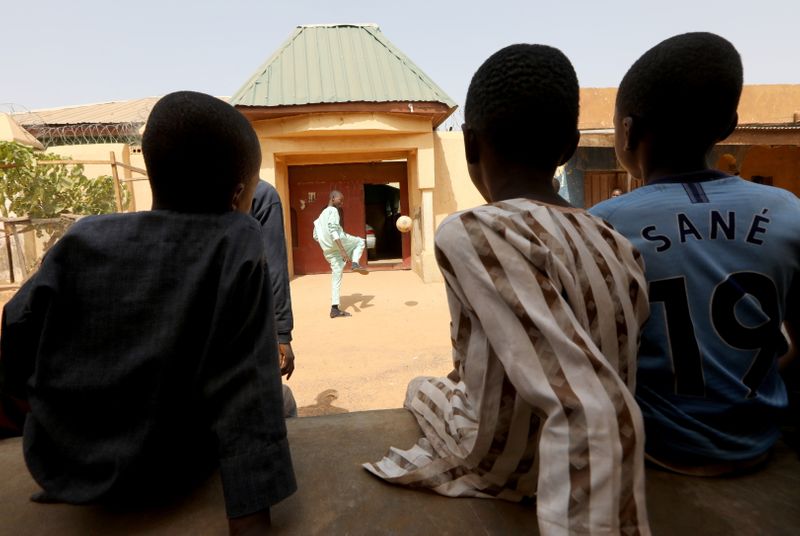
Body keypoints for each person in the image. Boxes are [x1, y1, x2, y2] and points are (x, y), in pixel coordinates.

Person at [365, 44, 651, 535]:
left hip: (516, 467)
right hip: (573, 438)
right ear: (569, 147)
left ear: (471, 144)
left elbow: (593, 405)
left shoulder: (474, 231)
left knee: (422, 388)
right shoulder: (614, 240)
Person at [0, 91, 296, 533]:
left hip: (67, 465)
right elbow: (247, 396)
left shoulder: (83, 237)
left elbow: (15, 327)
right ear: (238, 194)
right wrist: (250, 519)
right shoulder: (237, 240)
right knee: (287, 403)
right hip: (167, 469)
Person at [590, 32, 800, 476]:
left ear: (628, 131)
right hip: (759, 444)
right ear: (728, 126)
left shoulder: (602, 225)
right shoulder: (788, 213)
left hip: (655, 451)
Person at [251, 180, 298, 417]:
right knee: (284, 402)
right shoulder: (259, 192)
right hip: (245, 335)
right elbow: (274, 267)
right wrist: (282, 333)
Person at [312, 190, 368, 319]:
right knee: (360, 242)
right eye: (340, 200)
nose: (341, 203)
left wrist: (326, 245)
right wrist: (342, 250)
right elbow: (333, 229)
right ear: (332, 198)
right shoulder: (333, 211)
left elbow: (315, 236)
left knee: (336, 277)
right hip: (339, 243)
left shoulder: (320, 217)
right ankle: (355, 263)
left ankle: (334, 309)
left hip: (328, 250)